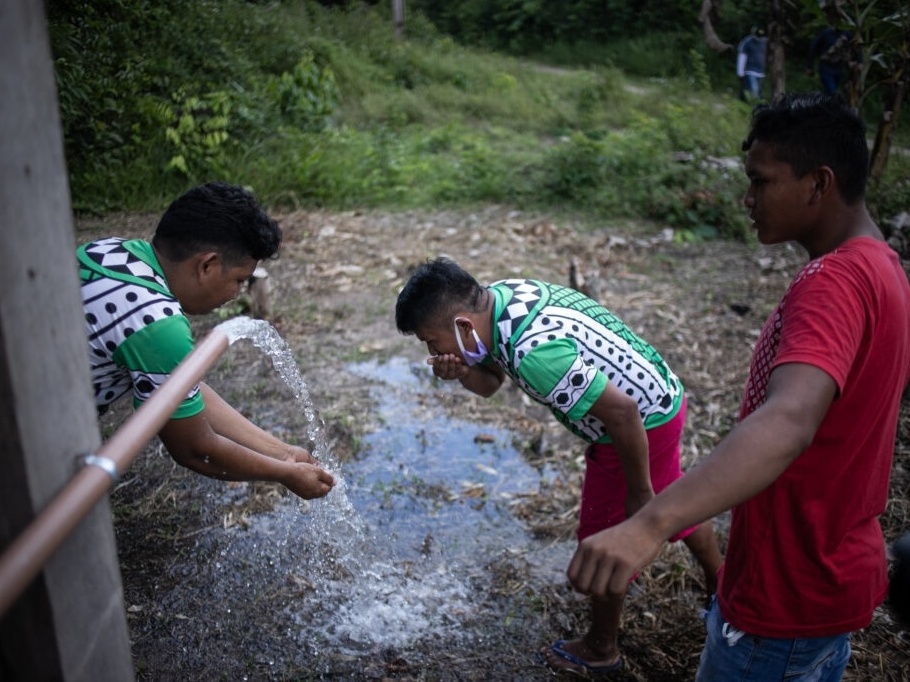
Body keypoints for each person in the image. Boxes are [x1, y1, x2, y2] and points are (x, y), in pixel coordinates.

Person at [567, 92, 910, 681]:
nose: (747, 199)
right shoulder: (884, 268)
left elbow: (789, 420)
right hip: (834, 578)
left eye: (761, 181)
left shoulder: (833, 283)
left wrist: (649, 524)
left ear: (818, 183)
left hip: (783, 597)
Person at [395, 258, 723, 675]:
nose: (432, 351)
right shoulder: (499, 303)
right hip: (661, 396)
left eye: (430, 340)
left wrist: (638, 491)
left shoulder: (533, 352)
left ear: (461, 325)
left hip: (636, 426)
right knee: (671, 496)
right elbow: (490, 384)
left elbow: (622, 414)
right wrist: (460, 372)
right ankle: (721, 579)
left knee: (607, 536)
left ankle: (602, 648)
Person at [78, 182, 336, 500]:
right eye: (239, 280)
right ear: (207, 265)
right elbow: (197, 450)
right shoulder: (158, 324)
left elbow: (180, 386)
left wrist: (283, 453)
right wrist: (284, 474)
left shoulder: (108, 251)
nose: (237, 294)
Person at [806, 5, 854, 94]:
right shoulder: (826, 33)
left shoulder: (847, 35)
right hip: (826, 67)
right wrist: (810, 66)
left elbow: (856, 47)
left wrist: (858, 61)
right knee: (832, 92)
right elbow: (813, 47)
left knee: (828, 93)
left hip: (839, 68)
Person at [737, 26, 768, 102]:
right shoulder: (747, 42)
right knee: (754, 90)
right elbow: (742, 57)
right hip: (750, 71)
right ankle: (754, 106)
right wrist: (740, 72)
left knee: (758, 91)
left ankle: (752, 105)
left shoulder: (765, 42)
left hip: (760, 72)